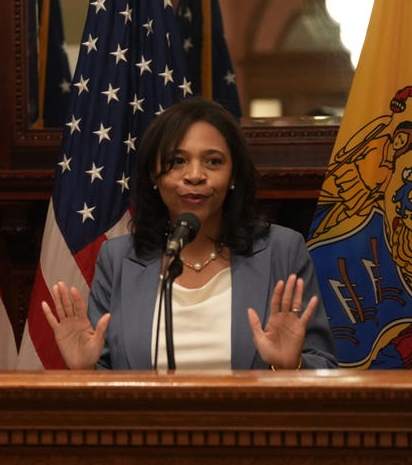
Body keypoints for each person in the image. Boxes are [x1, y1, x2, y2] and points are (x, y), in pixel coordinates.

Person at [42, 98, 338, 371]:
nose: (195, 175)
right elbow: (106, 382)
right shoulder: (119, 258)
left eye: (213, 161)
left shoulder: (282, 250)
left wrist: (291, 366)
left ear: (234, 175)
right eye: (177, 161)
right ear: (153, 175)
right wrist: (83, 370)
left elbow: (325, 369)